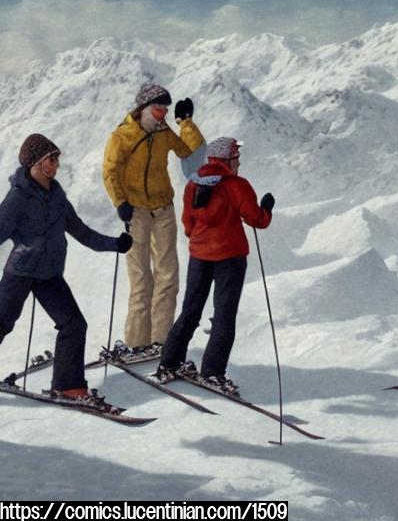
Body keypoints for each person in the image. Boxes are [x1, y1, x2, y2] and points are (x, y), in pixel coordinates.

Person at [0, 134, 132, 402]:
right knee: (1, 323)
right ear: (36, 163)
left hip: (48, 274)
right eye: (51, 159)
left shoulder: (57, 195)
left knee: (74, 324)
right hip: (21, 272)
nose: (56, 165)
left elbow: (81, 232)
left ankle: (68, 386)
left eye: (57, 158)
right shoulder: (18, 198)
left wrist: (115, 244)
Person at [156, 138, 273, 394]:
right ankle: (212, 373)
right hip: (230, 257)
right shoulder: (237, 186)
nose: (239, 162)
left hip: (199, 256)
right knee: (224, 316)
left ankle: (169, 364)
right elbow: (256, 219)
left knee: (190, 311)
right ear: (227, 160)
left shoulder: (193, 183)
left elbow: (188, 223)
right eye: (236, 157)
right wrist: (267, 209)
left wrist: (200, 240)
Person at [102, 83, 205, 361]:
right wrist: (120, 202)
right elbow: (110, 171)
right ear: (144, 109)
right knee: (141, 279)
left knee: (168, 274)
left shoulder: (163, 133)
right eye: (158, 109)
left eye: (165, 110)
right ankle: (137, 343)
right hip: (135, 211)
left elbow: (188, 152)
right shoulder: (123, 136)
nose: (162, 115)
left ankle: (161, 341)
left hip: (163, 209)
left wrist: (186, 123)